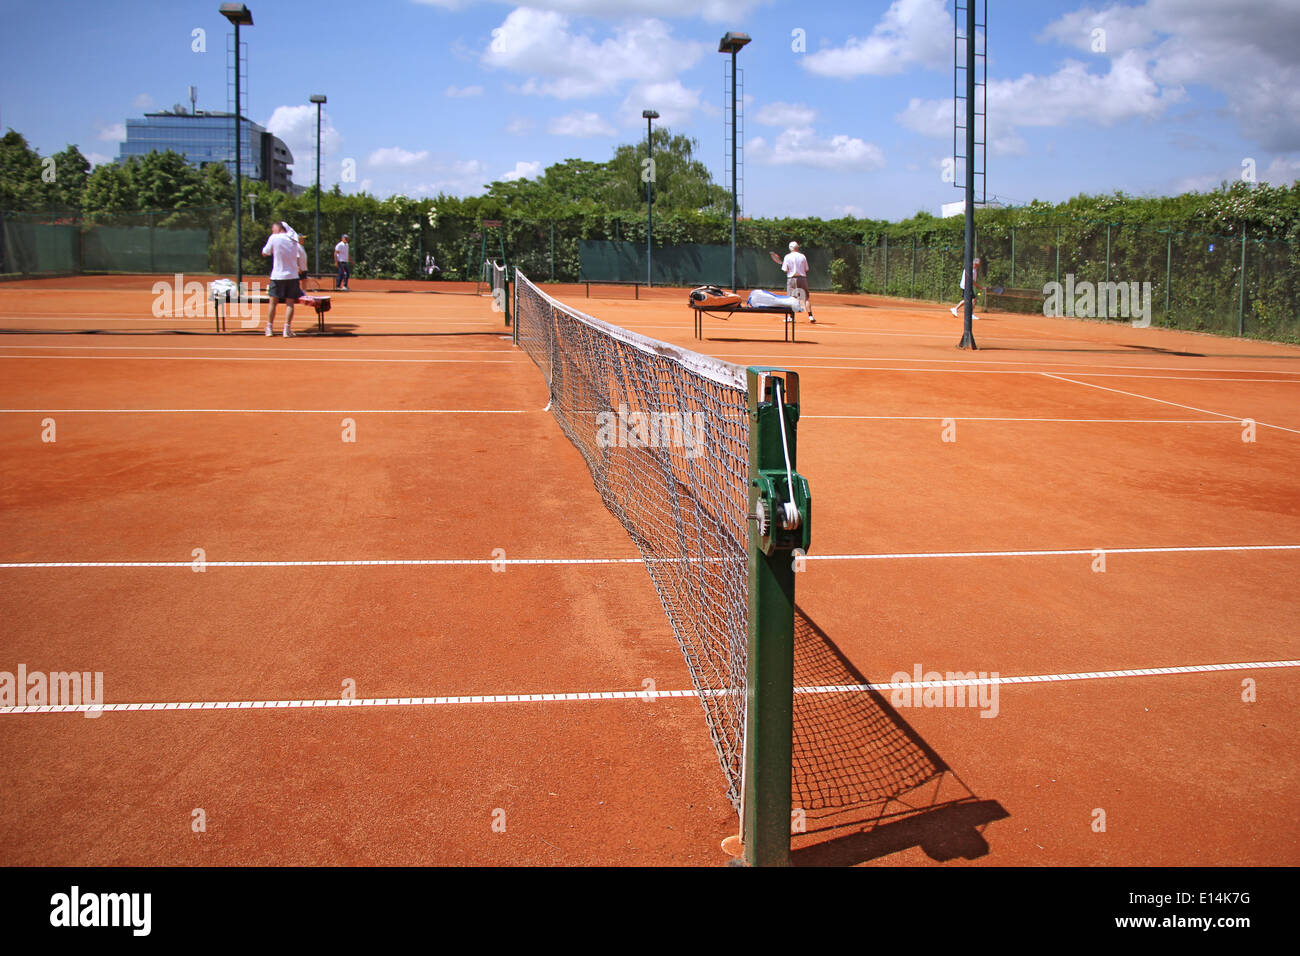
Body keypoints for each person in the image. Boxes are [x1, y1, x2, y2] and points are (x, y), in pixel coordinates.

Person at [261, 221, 304, 338]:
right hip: (292, 276)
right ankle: (287, 330)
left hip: (277, 276)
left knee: (272, 303)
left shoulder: (274, 237)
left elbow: (264, 253)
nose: (272, 230)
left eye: (273, 228)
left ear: (280, 229)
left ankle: (269, 328)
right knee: (290, 303)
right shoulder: (294, 240)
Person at [772, 241, 814, 323]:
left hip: (792, 279)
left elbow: (785, 270)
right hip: (803, 279)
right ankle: (811, 316)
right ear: (797, 247)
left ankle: (791, 317)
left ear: (790, 248)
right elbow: (806, 269)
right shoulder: (803, 256)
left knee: (791, 299)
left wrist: (789, 269)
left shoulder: (787, 257)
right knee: (806, 298)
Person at [951, 255, 983, 320]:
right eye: (977, 264)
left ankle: (955, 309)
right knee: (973, 299)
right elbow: (972, 281)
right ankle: (970, 314)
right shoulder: (971, 269)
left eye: (978, 264)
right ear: (974, 263)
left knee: (967, 300)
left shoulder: (973, 269)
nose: (978, 266)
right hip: (966, 286)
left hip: (967, 286)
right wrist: (979, 287)